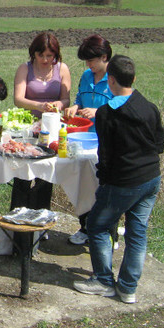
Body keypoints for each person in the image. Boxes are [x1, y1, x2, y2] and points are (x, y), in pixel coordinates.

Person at [73, 55, 164, 304]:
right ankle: (128, 288)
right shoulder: (149, 107)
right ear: (133, 79)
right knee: (137, 232)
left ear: (110, 80)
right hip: (151, 178)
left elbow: (106, 156)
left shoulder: (106, 114)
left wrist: (104, 181)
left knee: (97, 225)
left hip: (123, 181)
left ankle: (103, 280)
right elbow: (158, 145)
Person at [11, 32, 71, 212]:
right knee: (23, 171)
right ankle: (18, 213)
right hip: (28, 128)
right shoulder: (25, 69)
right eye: (41, 55)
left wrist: (58, 105)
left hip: (52, 128)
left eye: (49, 56)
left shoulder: (62, 69)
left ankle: (41, 215)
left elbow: (66, 99)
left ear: (56, 55)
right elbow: (18, 99)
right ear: (33, 54)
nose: (45, 60)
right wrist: (39, 105)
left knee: (46, 173)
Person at [63, 34, 114, 245]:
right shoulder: (86, 75)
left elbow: (121, 105)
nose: (88, 65)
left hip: (105, 140)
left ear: (104, 57)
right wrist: (75, 106)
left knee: (104, 186)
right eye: (86, 61)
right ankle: (85, 227)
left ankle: (109, 231)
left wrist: (98, 111)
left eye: (91, 60)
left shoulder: (114, 77)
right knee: (84, 184)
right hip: (83, 138)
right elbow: (79, 97)